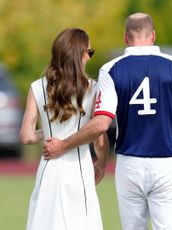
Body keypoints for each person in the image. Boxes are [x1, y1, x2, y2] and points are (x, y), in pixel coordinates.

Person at [43, 13, 172, 230]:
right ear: (153, 35)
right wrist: (167, 117)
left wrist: (63, 145)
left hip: (130, 162)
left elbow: (101, 124)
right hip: (168, 161)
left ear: (126, 38)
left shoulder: (111, 69)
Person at [20, 28, 108, 230]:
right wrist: (101, 165)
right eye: (89, 52)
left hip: (48, 169)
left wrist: (50, 134)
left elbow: (26, 137)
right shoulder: (94, 88)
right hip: (79, 168)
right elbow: (99, 138)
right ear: (79, 55)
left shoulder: (37, 87)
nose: (90, 57)